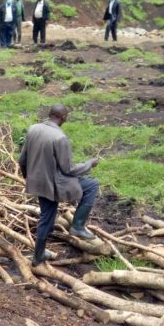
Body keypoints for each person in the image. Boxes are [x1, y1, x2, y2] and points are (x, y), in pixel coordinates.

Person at [18, 104, 100, 265]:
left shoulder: (33, 128)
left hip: (37, 182)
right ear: (63, 118)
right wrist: (89, 164)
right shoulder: (59, 138)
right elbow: (68, 169)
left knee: (46, 218)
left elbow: (22, 160)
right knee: (91, 185)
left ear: (50, 115)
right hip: (54, 184)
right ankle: (78, 225)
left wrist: (29, 179)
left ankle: (38, 255)